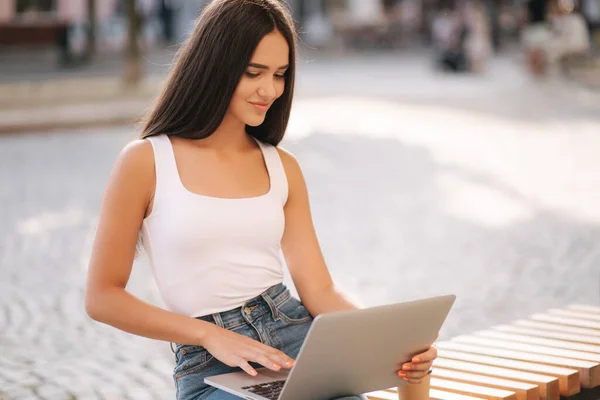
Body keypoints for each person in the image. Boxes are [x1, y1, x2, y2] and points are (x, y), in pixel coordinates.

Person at [84, 1, 438, 399]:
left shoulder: (282, 167)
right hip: (210, 364)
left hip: (298, 342)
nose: (270, 90)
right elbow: (102, 297)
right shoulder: (145, 161)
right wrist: (210, 335)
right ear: (215, 64)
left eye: (280, 74)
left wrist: (390, 341)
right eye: (254, 72)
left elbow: (319, 290)